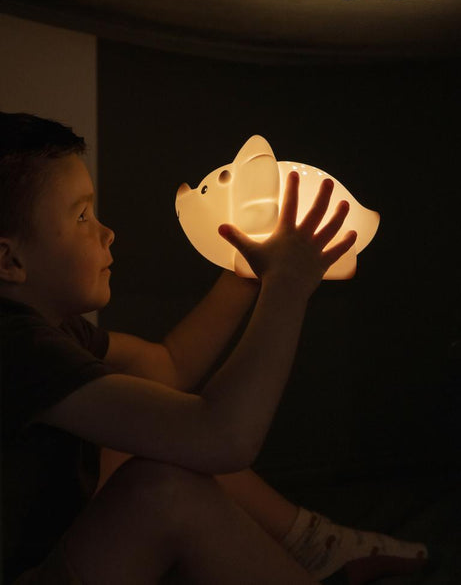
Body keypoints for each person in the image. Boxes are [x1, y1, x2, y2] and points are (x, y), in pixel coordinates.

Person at [0, 111, 428, 585]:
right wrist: (286, 286)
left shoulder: (53, 330)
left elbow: (166, 367)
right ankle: (315, 550)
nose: (107, 232)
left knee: (147, 438)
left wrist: (248, 265)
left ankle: (315, 546)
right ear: (8, 259)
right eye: (82, 216)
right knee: (164, 490)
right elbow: (222, 437)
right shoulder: (17, 349)